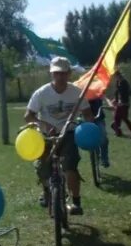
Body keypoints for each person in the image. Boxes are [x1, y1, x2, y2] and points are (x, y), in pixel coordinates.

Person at [25, 56, 94, 216]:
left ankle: (76, 201)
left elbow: (88, 114)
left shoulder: (77, 92)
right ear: (51, 74)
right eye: (56, 73)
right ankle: (47, 191)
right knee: (42, 168)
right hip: (46, 136)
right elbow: (28, 116)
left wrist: (85, 125)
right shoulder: (41, 93)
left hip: (68, 134)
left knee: (70, 167)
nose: (60, 76)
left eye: (63, 73)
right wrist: (43, 124)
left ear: (69, 73)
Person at [112, 70, 131, 138]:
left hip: (125, 103)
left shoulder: (124, 82)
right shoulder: (118, 82)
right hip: (120, 103)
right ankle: (118, 132)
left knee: (124, 118)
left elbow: (124, 93)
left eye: (116, 76)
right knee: (116, 117)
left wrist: (121, 102)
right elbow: (117, 92)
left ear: (119, 75)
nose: (115, 78)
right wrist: (116, 100)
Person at [88, 97, 110, 168]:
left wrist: (109, 105)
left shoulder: (97, 91)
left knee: (104, 139)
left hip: (99, 119)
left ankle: (104, 159)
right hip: (87, 120)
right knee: (91, 142)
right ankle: (95, 161)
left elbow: (104, 99)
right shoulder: (81, 93)